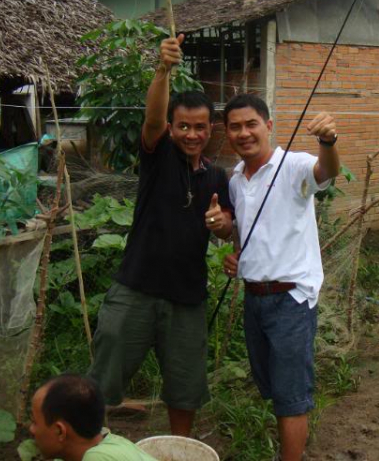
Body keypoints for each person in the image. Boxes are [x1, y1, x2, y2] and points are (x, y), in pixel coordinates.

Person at [88, 35, 233, 436]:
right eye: (183, 126)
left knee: (185, 389)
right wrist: (162, 69)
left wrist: (222, 226)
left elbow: (229, 227)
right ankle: (91, 444)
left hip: (187, 299)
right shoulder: (158, 156)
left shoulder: (219, 177)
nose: (191, 134)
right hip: (135, 289)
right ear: (171, 128)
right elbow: (151, 119)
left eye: (199, 127)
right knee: (104, 377)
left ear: (211, 129)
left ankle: (178, 448)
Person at [222, 94, 339, 461]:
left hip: (290, 300)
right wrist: (236, 256)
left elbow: (327, 171)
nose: (244, 133)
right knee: (273, 386)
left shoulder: (295, 165)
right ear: (227, 133)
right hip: (254, 298)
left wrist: (328, 142)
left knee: (291, 396)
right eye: (235, 127)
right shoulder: (236, 180)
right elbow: (249, 234)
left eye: (251, 124)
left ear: (269, 126)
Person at [29, 374, 158, 461]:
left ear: (60, 431)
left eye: (35, 422)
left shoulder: (97, 458)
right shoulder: (110, 441)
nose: (31, 430)